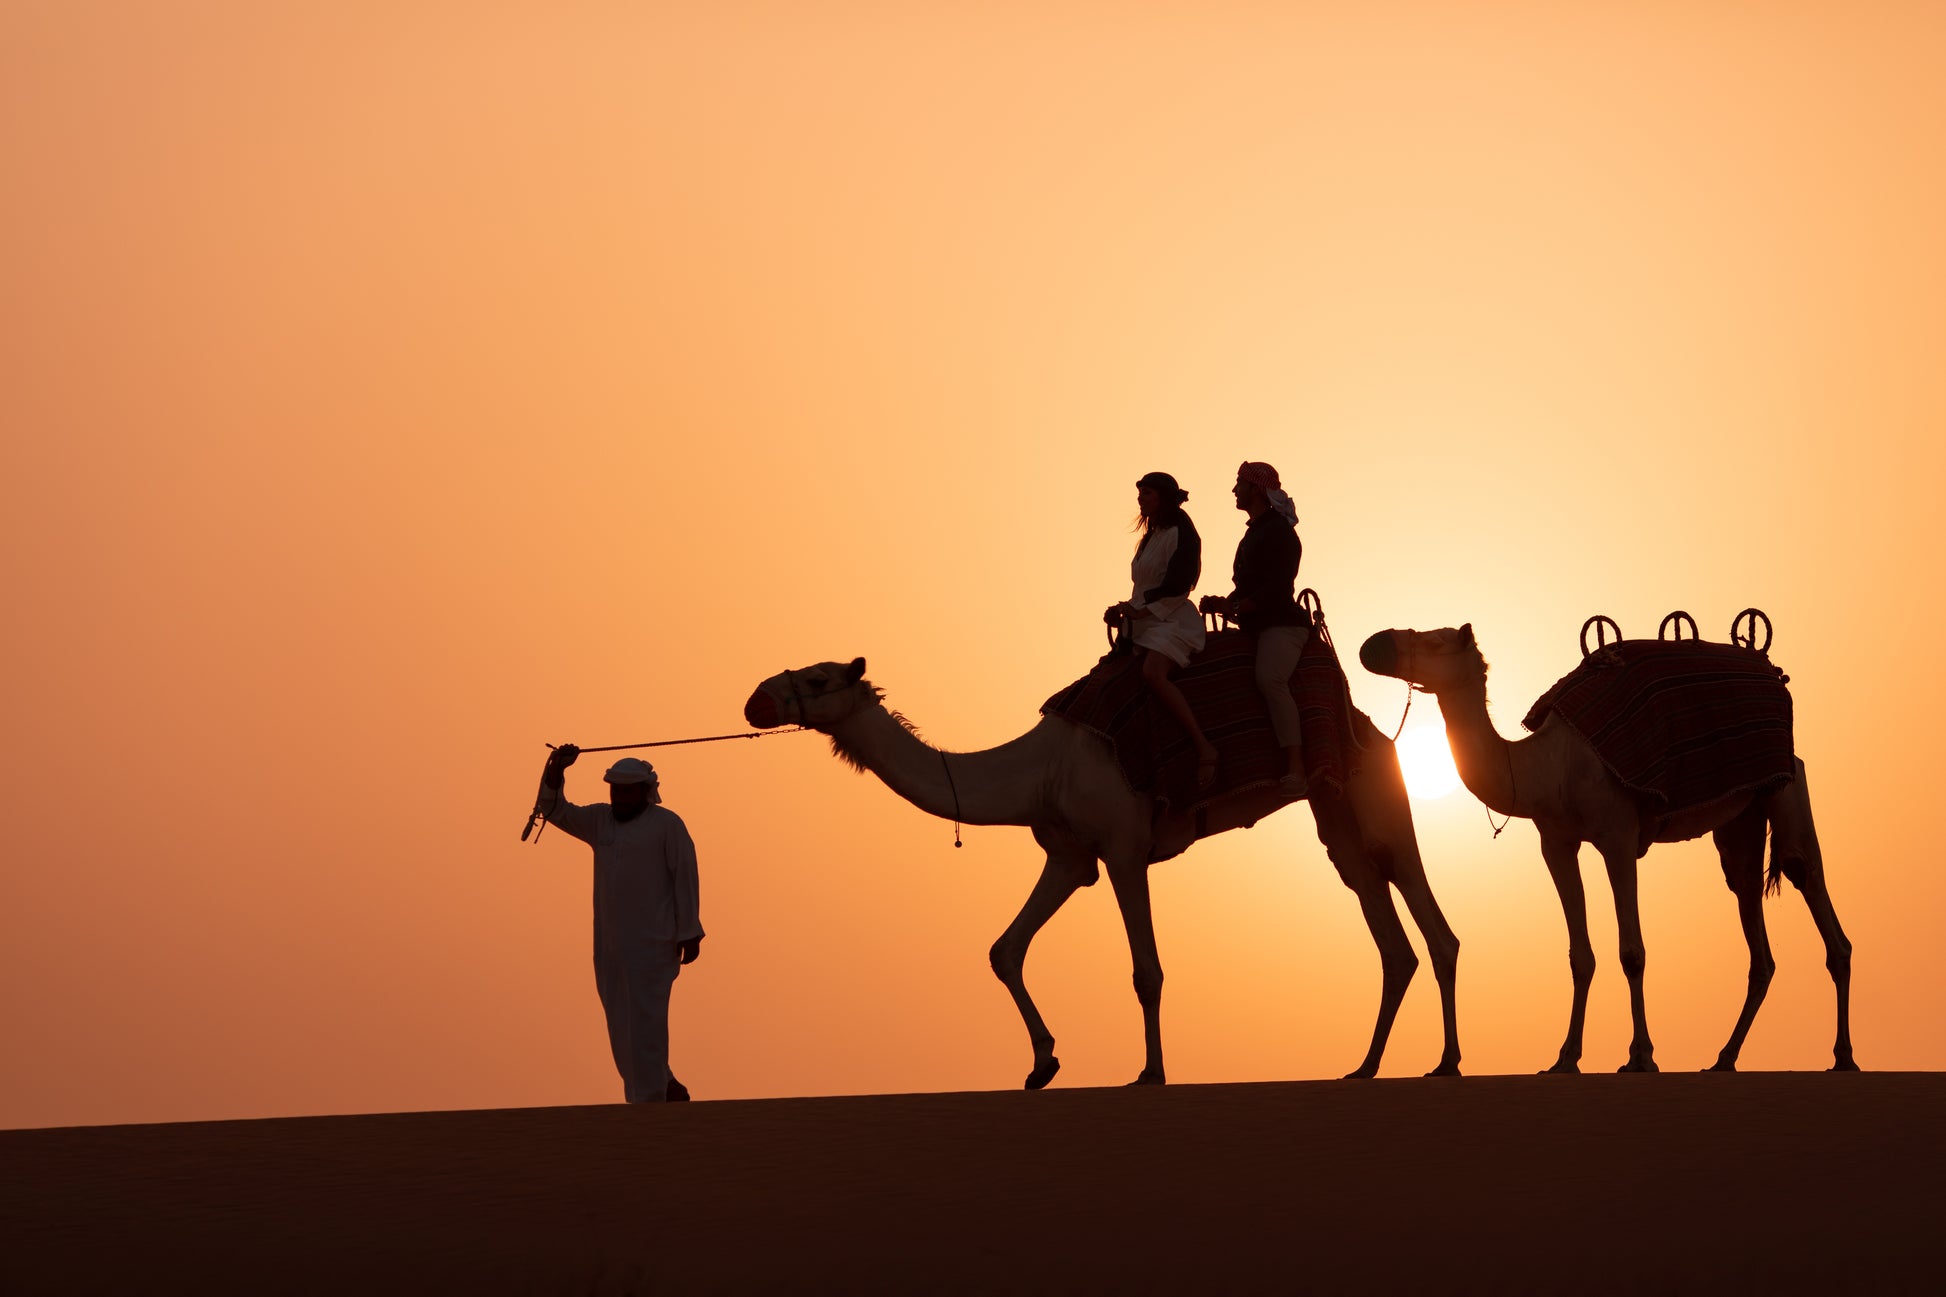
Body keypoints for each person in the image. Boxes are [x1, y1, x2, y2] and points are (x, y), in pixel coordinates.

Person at [533, 746, 704, 1103]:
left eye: (628, 791)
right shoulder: (600, 821)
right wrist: (556, 770)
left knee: (647, 1021)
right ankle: (663, 1084)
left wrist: (689, 931)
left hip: (654, 945)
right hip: (610, 945)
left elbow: (685, 877)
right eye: (616, 790)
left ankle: (651, 1099)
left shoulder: (667, 825)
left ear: (645, 791)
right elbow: (553, 810)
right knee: (621, 1025)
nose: (621, 797)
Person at [1199, 461, 1310, 795]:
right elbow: (1248, 588)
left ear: (1256, 489)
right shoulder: (1255, 532)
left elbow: (1275, 590)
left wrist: (1235, 607)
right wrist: (1224, 602)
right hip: (1256, 624)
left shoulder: (1280, 533)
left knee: (1269, 679)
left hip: (1281, 625)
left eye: (1240, 484)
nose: (1234, 489)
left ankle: (1296, 767)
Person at [1103, 471, 1219, 787]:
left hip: (1171, 620)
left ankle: (1203, 746)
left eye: (1148, 493)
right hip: (1143, 620)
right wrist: (1124, 611)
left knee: (1153, 673)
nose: (1141, 498)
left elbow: (1178, 585)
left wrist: (1139, 612)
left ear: (1163, 498)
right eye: (1140, 493)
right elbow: (1143, 586)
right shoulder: (1151, 535)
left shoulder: (1184, 534)